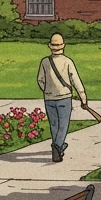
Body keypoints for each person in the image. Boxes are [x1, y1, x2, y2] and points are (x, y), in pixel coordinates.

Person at [37, 33, 89, 163]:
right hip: (64, 97)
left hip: (49, 98)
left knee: (54, 125)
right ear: (63, 46)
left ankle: (57, 147)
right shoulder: (67, 62)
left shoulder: (45, 61)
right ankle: (58, 146)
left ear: (50, 46)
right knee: (63, 125)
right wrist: (83, 97)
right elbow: (75, 80)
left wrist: (48, 90)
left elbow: (40, 80)